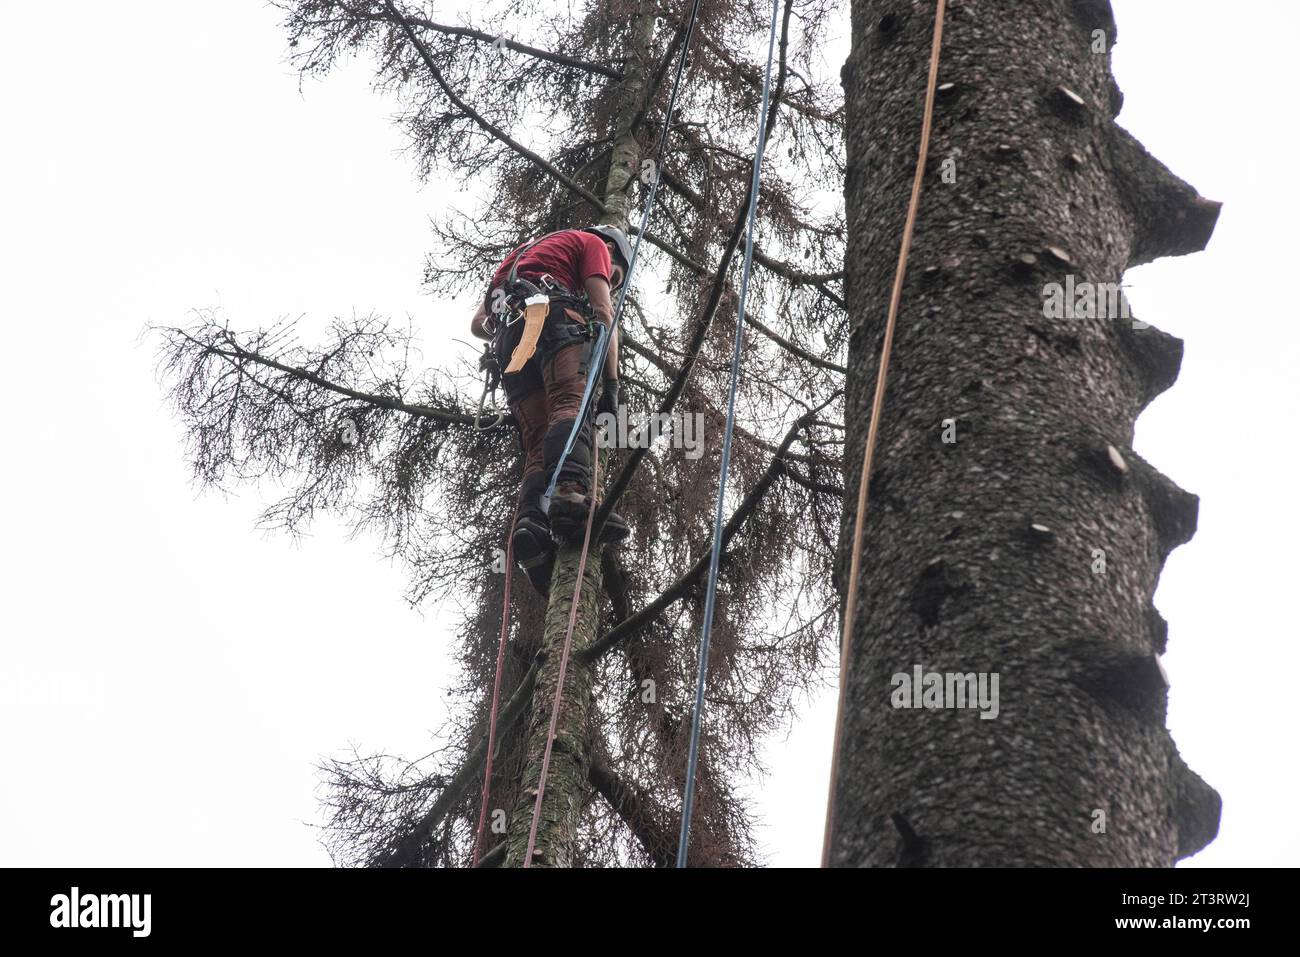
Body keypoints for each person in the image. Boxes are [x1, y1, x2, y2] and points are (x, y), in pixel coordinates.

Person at [470, 225, 632, 596]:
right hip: (554, 318)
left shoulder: (513, 262)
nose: (611, 278)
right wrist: (611, 386)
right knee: (569, 405)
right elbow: (604, 312)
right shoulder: (593, 243)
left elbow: (478, 324)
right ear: (610, 248)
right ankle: (571, 497)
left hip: (510, 344)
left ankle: (531, 528)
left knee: (537, 441)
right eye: (614, 273)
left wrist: (510, 322)